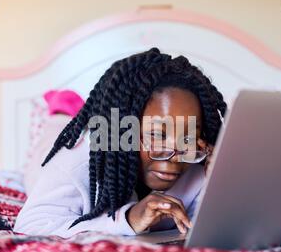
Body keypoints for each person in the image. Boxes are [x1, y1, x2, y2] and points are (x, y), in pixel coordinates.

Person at [14, 48, 227, 238]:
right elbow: (31, 225)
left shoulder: (198, 163)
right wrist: (129, 219)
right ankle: (62, 107)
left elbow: (216, 227)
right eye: (157, 135)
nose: (174, 156)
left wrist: (220, 186)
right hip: (59, 152)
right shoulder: (74, 162)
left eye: (187, 136)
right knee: (51, 140)